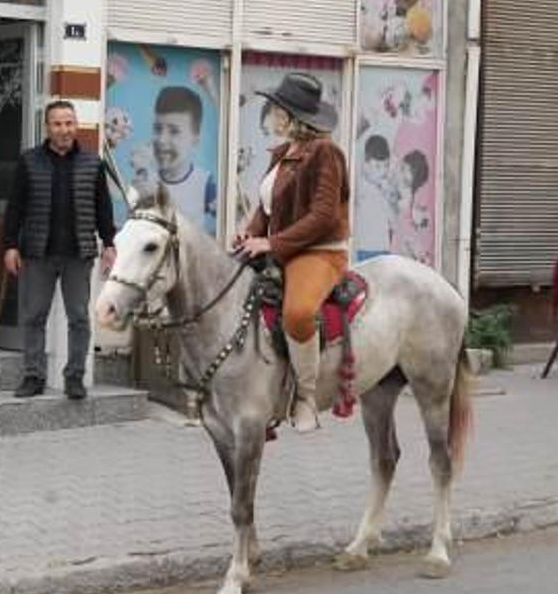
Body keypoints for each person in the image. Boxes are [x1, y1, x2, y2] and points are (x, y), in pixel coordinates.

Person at [234, 73, 351, 433]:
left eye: (277, 108)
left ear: (291, 115)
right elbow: (266, 208)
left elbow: (323, 216)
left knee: (298, 313)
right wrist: (250, 231)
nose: (272, 114)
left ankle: (306, 398)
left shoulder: (326, 153)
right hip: (284, 248)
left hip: (319, 251)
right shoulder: (283, 153)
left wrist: (272, 243)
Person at [2, 101, 117, 400]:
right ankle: (33, 376)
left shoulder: (94, 164)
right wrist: (10, 245)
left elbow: (104, 209)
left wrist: (109, 243)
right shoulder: (29, 162)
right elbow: (15, 208)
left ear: (75, 126)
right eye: (57, 124)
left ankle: (75, 377)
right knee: (33, 317)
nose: (64, 130)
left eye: (69, 123)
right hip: (37, 253)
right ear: (47, 127)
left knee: (79, 318)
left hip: (78, 254)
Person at [147, 86, 217, 233]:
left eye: (174, 131)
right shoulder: (147, 181)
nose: (162, 140)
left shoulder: (204, 184)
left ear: (195, 138)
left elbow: (230, 219)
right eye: (158, 129)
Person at [355, 134, 398, 262]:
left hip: (383, 247)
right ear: (366, 164)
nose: (382, 171)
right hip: (365, 248)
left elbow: (392, 218)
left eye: (385, 166)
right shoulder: (362, 186)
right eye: (377, 166)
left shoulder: (383, 188)